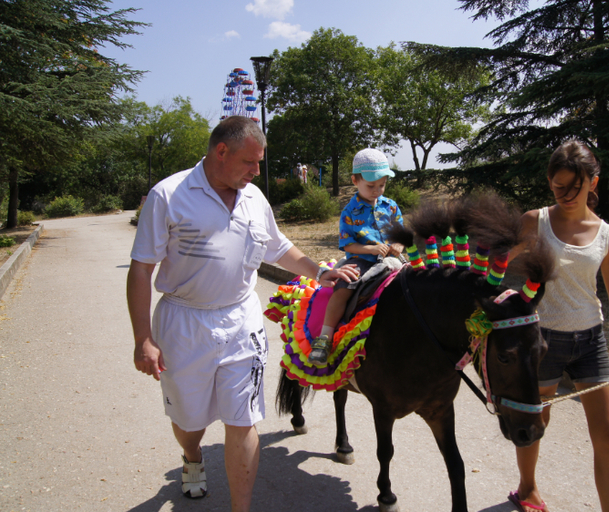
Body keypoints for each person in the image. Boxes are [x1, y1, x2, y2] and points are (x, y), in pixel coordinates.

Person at [127, 116, 357, 512]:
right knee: (189, 422)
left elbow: (277, 247)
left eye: (259, 163)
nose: (256, 171)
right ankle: (193, 456)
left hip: (241, 321)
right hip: (185, 323)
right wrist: (143, 339)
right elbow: (141, 268)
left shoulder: (253, 198)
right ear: (221, 151)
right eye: (250, 162)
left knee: (243, 418)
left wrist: (319, 272)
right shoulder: (170, 195)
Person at [508, 141, 609, 512]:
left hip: (590, 341)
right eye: (558, 187)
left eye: (575, 187)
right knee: (535, 424)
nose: (566, 195)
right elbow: (497, 262)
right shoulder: (536, 221)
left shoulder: (605, 235)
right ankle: (527, 488)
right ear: (549, 181)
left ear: (593, 183)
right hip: (542, 339)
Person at [307, 148, 404, 366]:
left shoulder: (391, 206)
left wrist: (399, 244)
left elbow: (401, 233)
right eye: (371, 186)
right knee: (344, 287)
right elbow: (347, 244)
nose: (377, 190)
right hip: (361, 260)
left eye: (382, 185)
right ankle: (325, 337)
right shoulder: (349, 212)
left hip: (392, 259)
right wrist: (370, 249)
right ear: (355, 180)